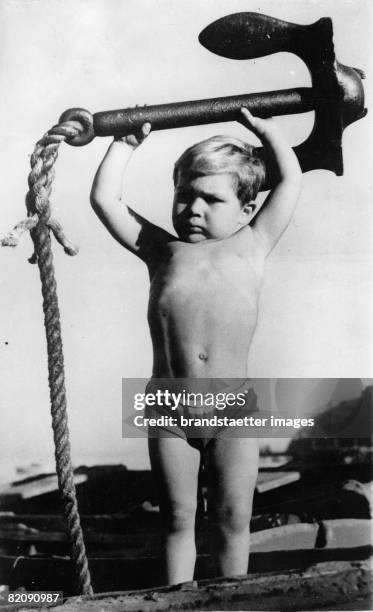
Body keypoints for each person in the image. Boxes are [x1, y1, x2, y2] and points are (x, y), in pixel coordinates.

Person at [90, 108, 302, 584]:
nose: (193, 209)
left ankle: (231, 600)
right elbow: (105, 198)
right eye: (185, 196)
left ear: (247, 208)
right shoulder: (160, 250)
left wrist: (265, 128)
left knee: (232, 520)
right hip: (169, 409)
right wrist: (123, 144)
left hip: (234, 409)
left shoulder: (253, 243)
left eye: (211, 199)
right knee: (177, 518)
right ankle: (174, 600)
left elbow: (289, 181)